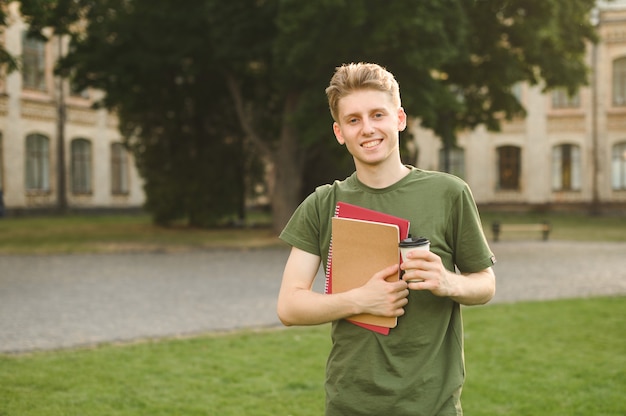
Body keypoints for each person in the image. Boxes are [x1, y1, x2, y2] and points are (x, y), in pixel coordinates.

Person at [277, 62, 496, 415]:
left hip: (432, 405)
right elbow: (289, 306)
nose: (367, 129)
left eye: (377, 115)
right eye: (354, 120)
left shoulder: (449, 193)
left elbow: (485, 284)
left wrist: (447, 282)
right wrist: (360, 300)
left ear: (399, 119)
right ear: (339, 131)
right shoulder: (323, 203)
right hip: (350, 404)